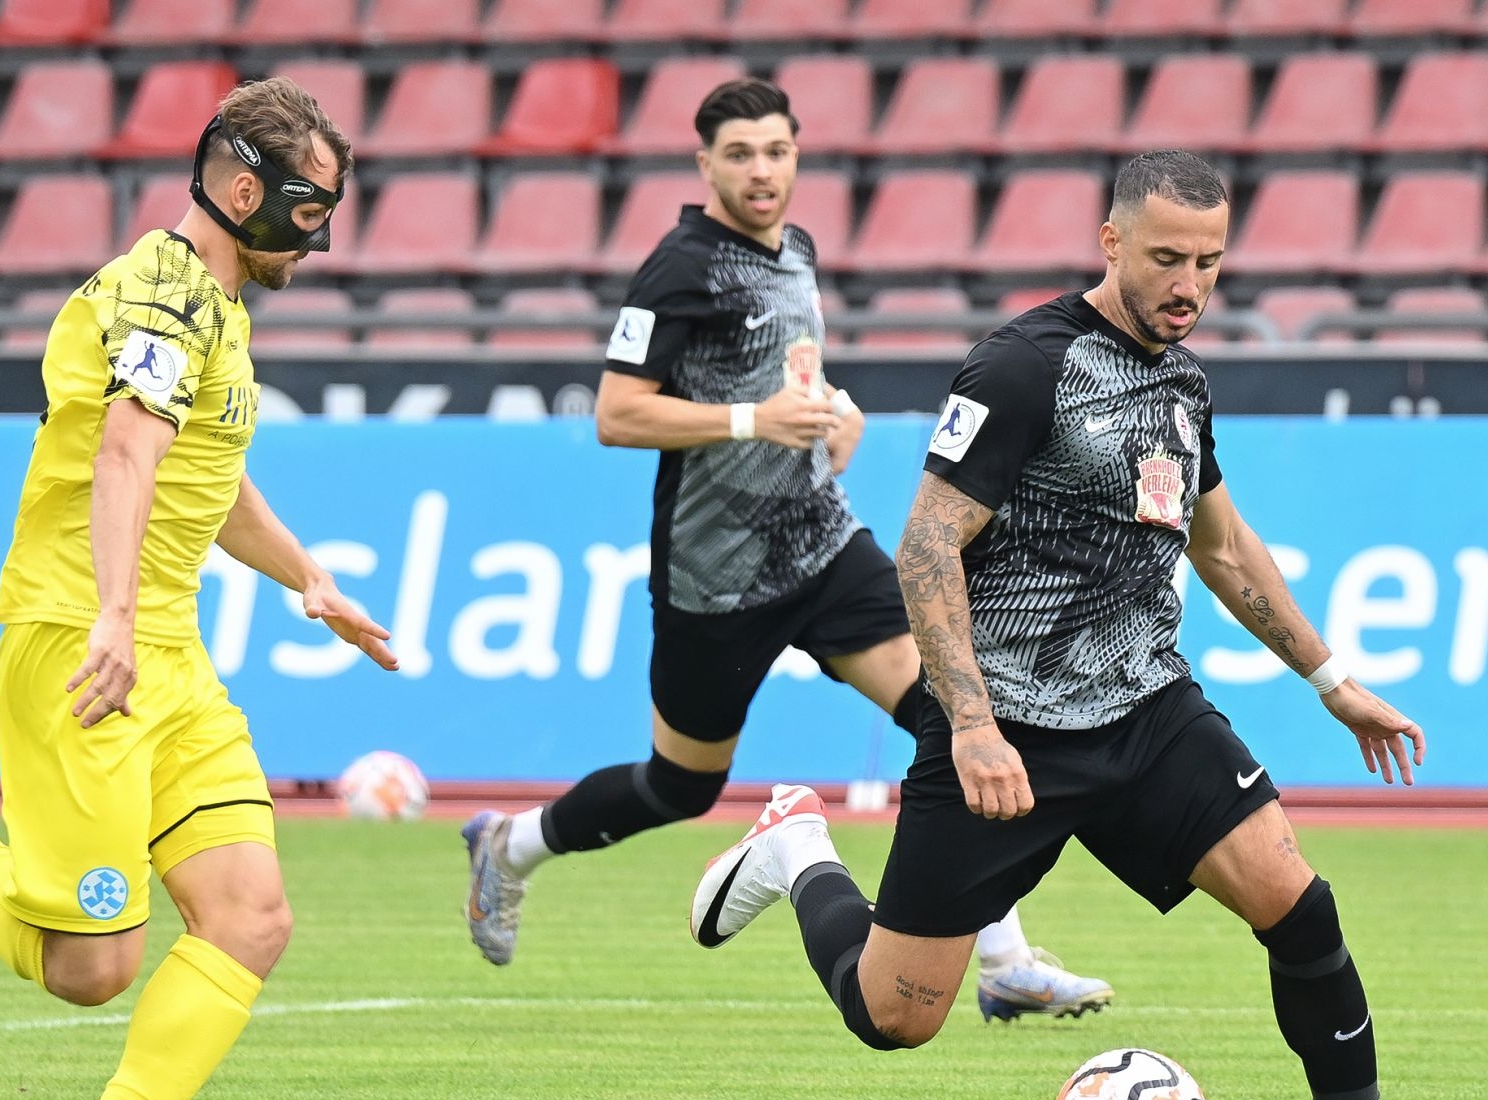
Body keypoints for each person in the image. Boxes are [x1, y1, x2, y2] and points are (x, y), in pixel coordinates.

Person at [689, 150, 1470, 1100]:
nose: (1188, 284)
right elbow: (927, 546)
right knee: (895, 1017)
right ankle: (797, 850)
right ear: (1111, 242)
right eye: (1166, 258)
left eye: (1209, 261)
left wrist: (1332, 681)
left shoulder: (1183, 382)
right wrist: (971, 725)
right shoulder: (1022, 367)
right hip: (1009, 730)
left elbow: (1223, 547)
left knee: (1299, 905)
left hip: (1147, 710)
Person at [0, 79, 396, 1100]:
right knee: (90, 970)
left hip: (170, 653)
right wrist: (110, 616)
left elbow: (208, 480)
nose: (318, 238)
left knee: (251, 917)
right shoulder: (163, 294)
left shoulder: (216, 305)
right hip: (82, 645)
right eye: (307, 210)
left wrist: (308, 577)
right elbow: (126, 455)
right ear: (240, 188)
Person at [460, 78, 1113, 1023]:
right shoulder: (678, 268)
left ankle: (1004, 959)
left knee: (953, 717)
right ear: (705, 165)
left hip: (822, 544)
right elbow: (616, 413)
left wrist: (834, 412)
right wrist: (751, 420)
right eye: (740, 155)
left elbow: (786, 375)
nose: (761, 171)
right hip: (718, 575)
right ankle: (510, 845)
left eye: (776, 151)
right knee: (681, 784)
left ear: (797, 155)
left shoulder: (796, 249)